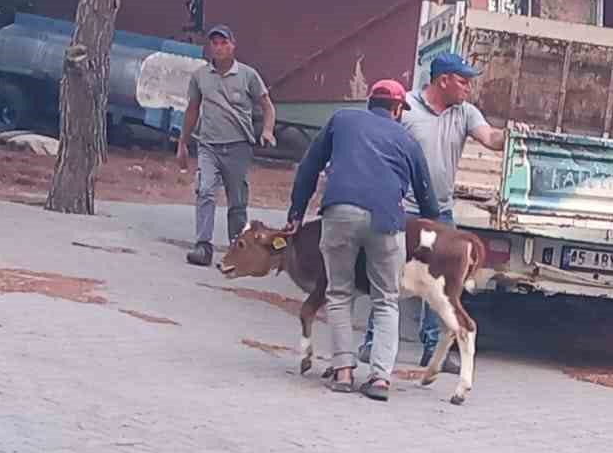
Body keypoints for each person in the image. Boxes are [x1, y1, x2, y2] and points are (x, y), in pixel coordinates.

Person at [357, 52, 517, 372]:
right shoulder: (406, 106)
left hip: (439, 211)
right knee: (389, 273)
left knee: (441, 281)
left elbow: (490, 138)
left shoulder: (465, 112)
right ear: (443, 80)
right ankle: (373, 342)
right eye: (463, 81)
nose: (468, 88)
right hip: (402, 208)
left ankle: (433, 349)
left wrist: (510, 134)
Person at [284, 79, 440, 402]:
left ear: (371, 102)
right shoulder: (407, 140)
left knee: (339, 293)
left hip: (339, 211)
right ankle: (380, 379)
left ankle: (343, 372)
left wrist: (296, 212)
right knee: (386, 299)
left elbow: (309, 167)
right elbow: (427, 198)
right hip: (386, 219)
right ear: (397, 109)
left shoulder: (341, 119)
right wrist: (429, 226)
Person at [178, 24, 276, 267]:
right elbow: (192, 110)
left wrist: (267, 130)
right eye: (215, 43)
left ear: (233, 46)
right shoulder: (200, 77)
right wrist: (183, 143)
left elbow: (267, 106)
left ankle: (237, 248)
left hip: (237, 146)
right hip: (208, 145)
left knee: (237, 201)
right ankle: (203, 246)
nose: (219, 48)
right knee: (205, 191)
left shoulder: (248, 75)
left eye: (224, 43)